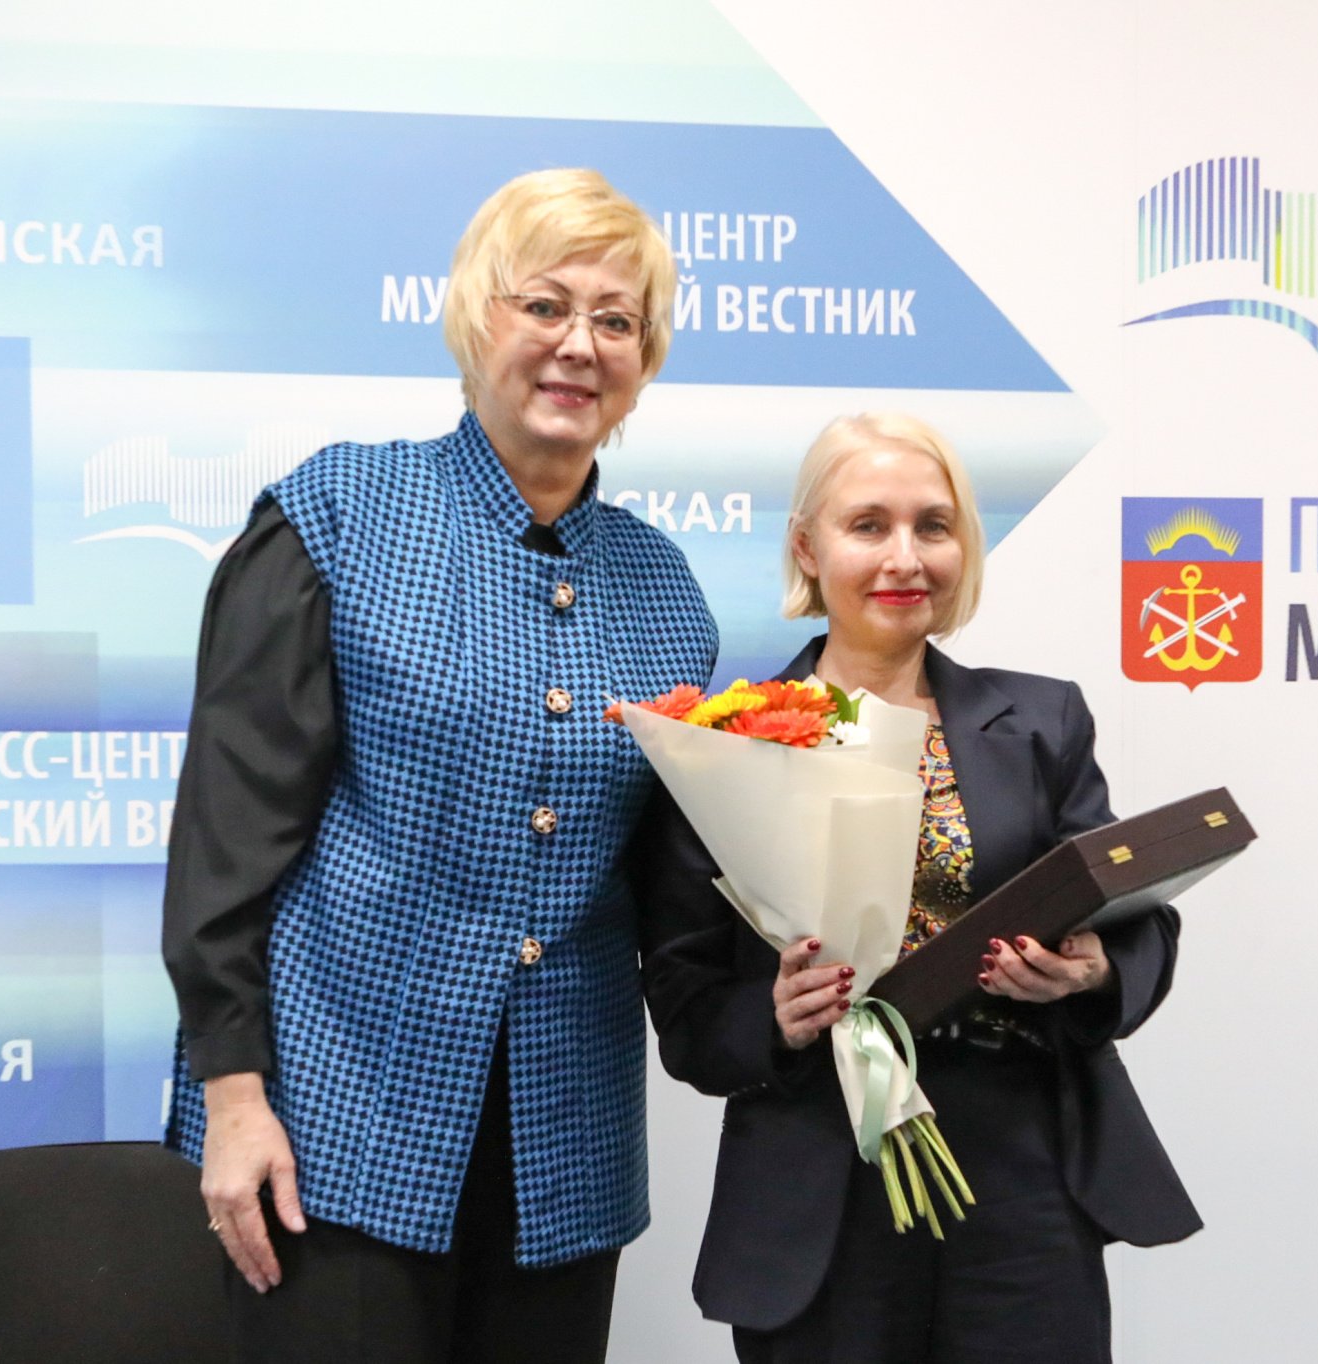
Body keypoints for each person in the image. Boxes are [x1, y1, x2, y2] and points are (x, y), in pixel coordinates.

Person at [160, 167, 717, 1364]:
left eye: (615, 320)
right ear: (475, 321)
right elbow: (227, 838)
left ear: (644, 361)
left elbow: (667, 887)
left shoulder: (667, 592)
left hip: (562, 1150)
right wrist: (232, 1093)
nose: (578, 344)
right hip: (332, 1125)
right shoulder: (337, 513)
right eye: (544, 305)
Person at [632, 413, 1199, 1363]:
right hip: (820, 1189)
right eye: (869, 525)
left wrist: (1091, 970)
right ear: (807, 548)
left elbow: (1138, 921)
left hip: (1025, 1182)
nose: (906, 557)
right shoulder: (722, 744)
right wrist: (777, 1018)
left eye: (933, 526)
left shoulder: (1043, 720)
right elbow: (687, 1009)